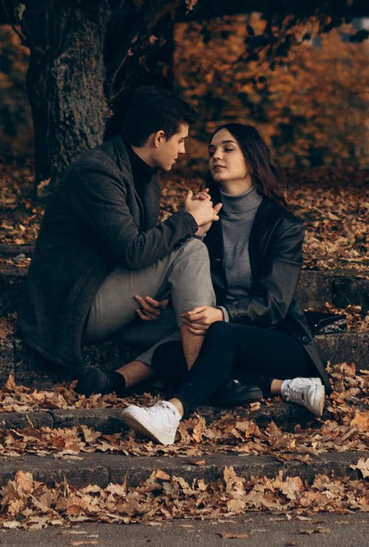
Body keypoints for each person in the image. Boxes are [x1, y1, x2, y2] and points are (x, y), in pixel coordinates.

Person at [110, 122, 327, 445]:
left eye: (228, 148)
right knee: (170, 356)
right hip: (220, 336)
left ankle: (171, 412)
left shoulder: (283, 225)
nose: (216, 156)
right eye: (212, 151)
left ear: (252, 159)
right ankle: (283, 387)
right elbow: (191, 273)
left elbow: (275, 302)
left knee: (216, 337)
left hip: (278, 338)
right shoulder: (208, 217)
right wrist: (169, 296)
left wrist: (222, 314)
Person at [17, 85, 222, 380]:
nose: (183, 151)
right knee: (192, 251)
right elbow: (134, 251)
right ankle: (203, 383)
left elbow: (147, 254)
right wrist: (187, 220)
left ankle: (119, 380)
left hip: (111, 291)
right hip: (72, 307)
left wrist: (160, 292)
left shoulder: (146, 180)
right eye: (180, 141)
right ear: (158, 138)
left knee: (197, 322)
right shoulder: (98, 173)